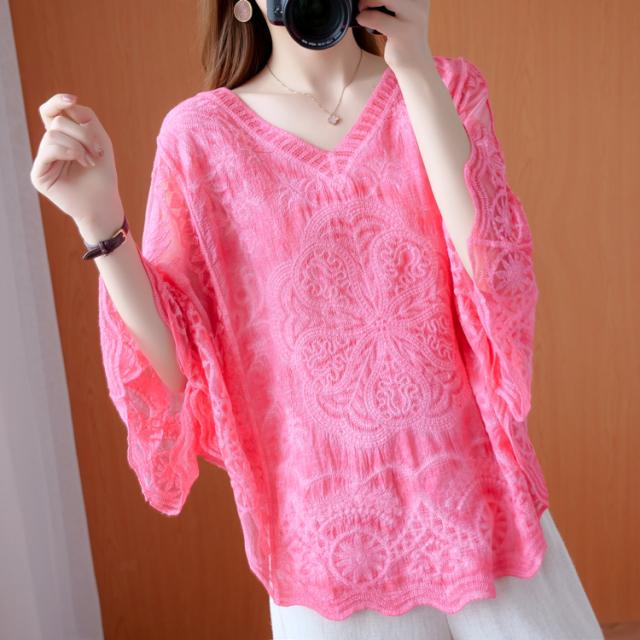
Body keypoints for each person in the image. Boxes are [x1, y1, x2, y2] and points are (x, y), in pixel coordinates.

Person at [29, 0, 604, 637]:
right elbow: (180, 365)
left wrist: (413, 65)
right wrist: (101, 226)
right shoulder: (199, 139)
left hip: (481, 513)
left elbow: (494, 276)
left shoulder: (444, 85)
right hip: (330, 550)